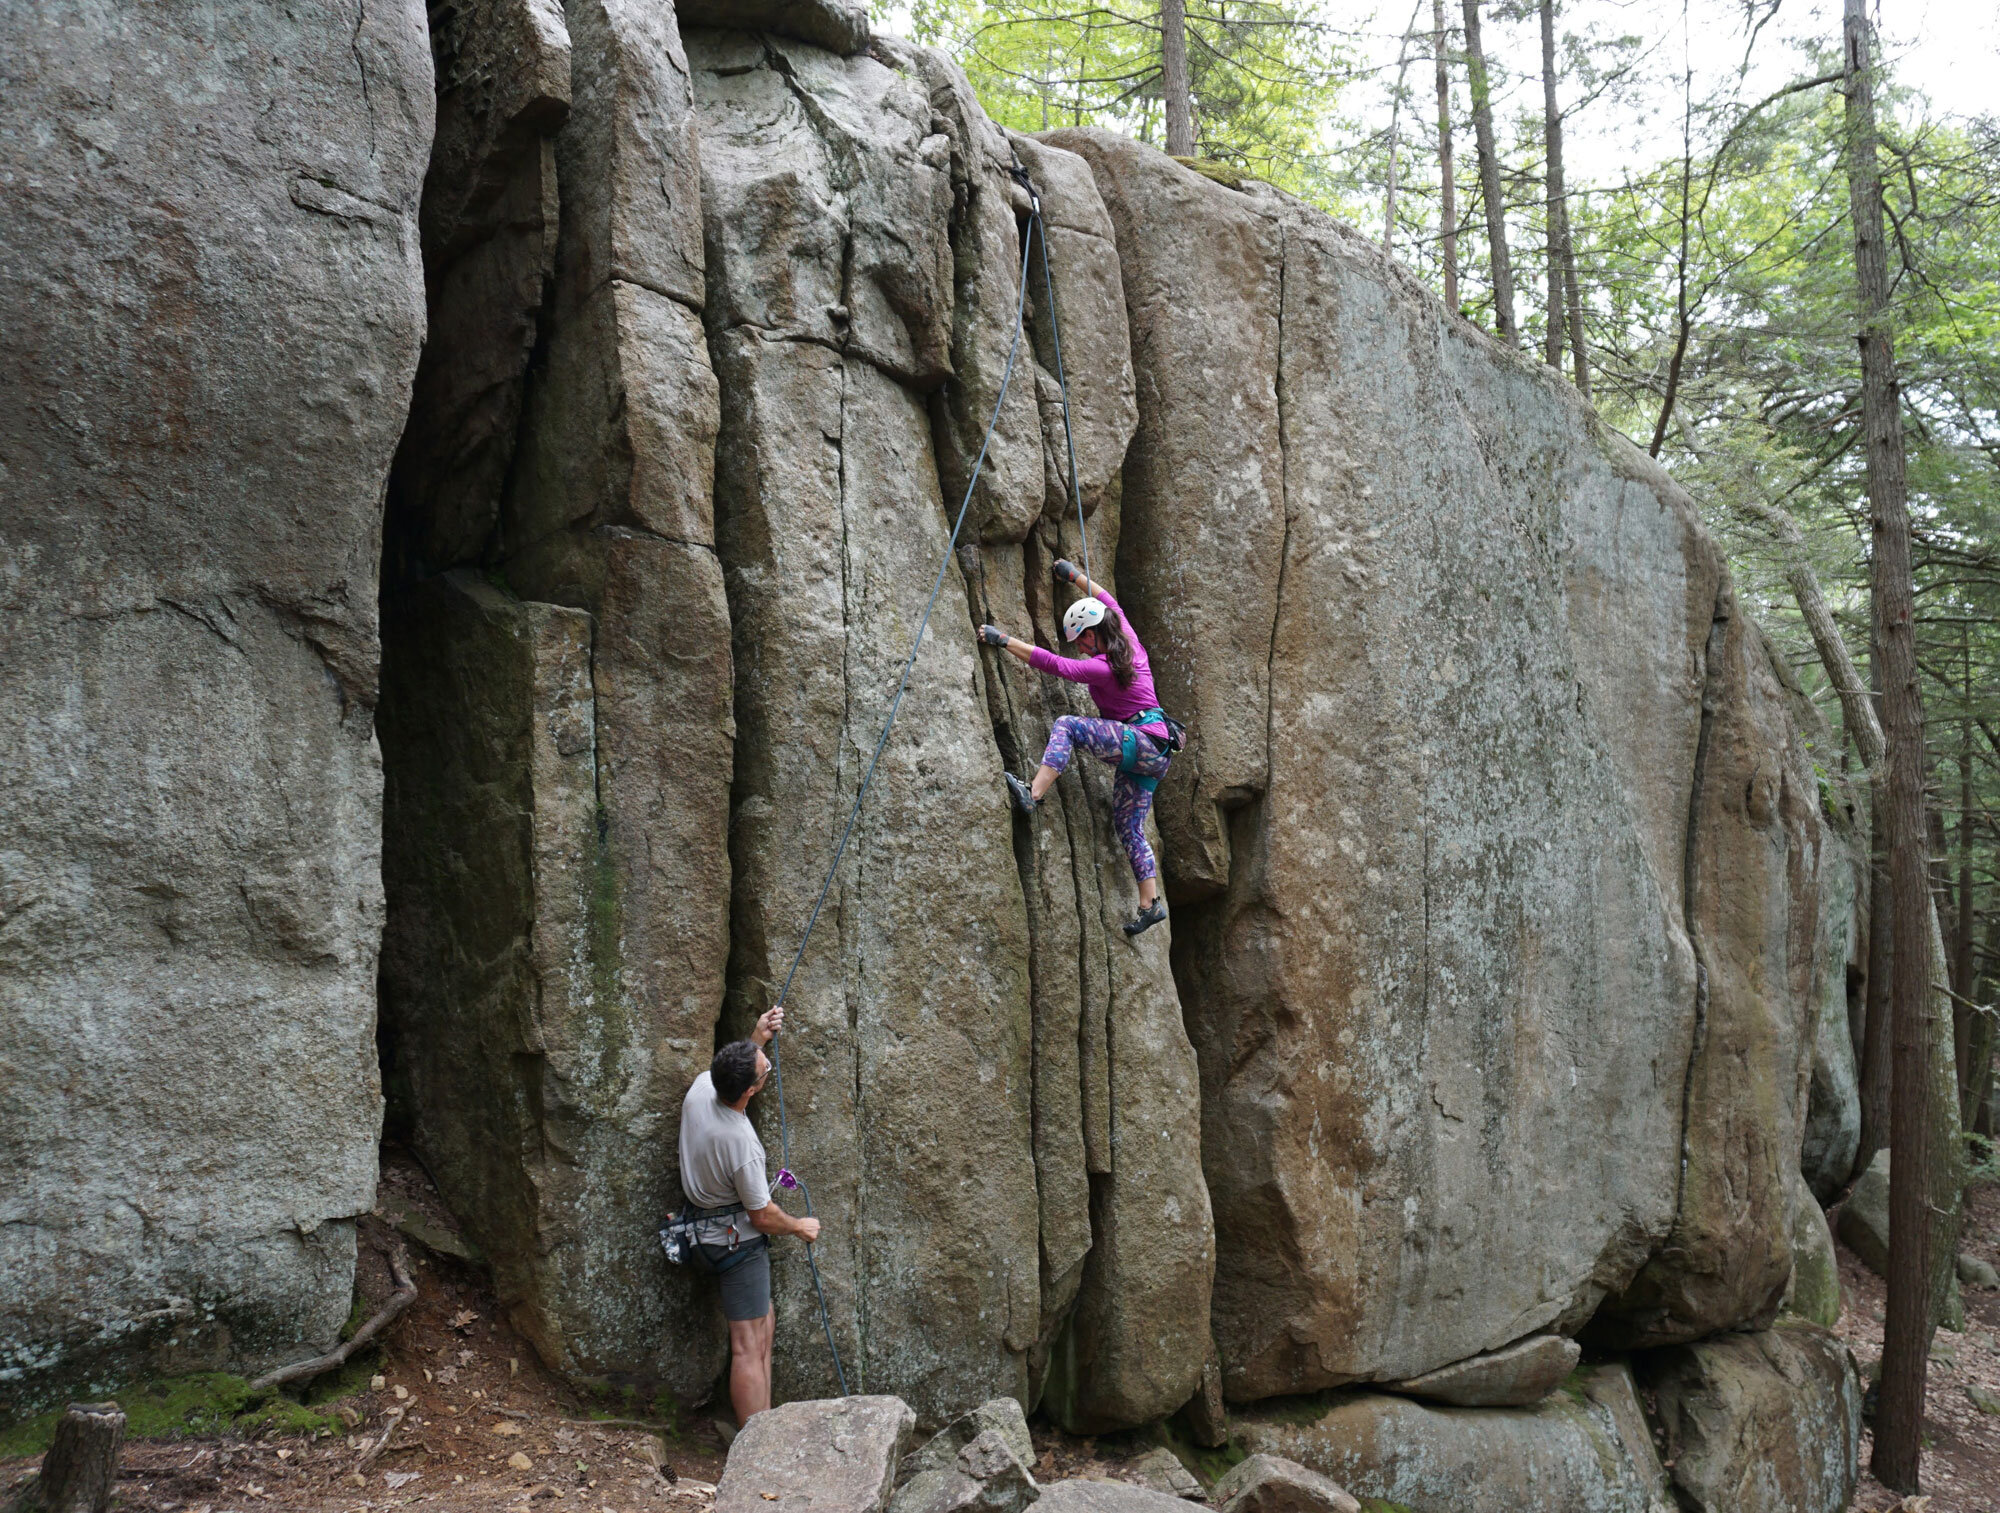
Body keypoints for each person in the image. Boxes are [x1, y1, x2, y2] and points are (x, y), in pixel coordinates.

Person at [980, 559, 1174, 937]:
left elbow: (1055, 665)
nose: (1083, 649)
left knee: (1067, 725)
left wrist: (1001, 639)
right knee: (1128, 825)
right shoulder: (1129, 642)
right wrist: (1073, 576)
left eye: (1083, 640)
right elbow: (1106, 598)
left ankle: (1032, 795)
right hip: (1156, 753)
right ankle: (1150, 905)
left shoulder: (1103, 667)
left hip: (1142, 740)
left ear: (1094, 632)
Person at [677, 1005, 821, 1424]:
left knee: (764, 1322)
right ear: (750, 1092)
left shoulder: (702, 1087)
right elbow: (762, 1215)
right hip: (734, 1244)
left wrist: (757, 1038)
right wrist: (799, 1227)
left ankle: (764, 1421)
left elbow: (734, 1071)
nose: (767, 1068)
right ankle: (756, 1447)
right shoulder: (740, 1142)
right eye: (763, 1071)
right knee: (748, 1343)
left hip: (700, 1230)